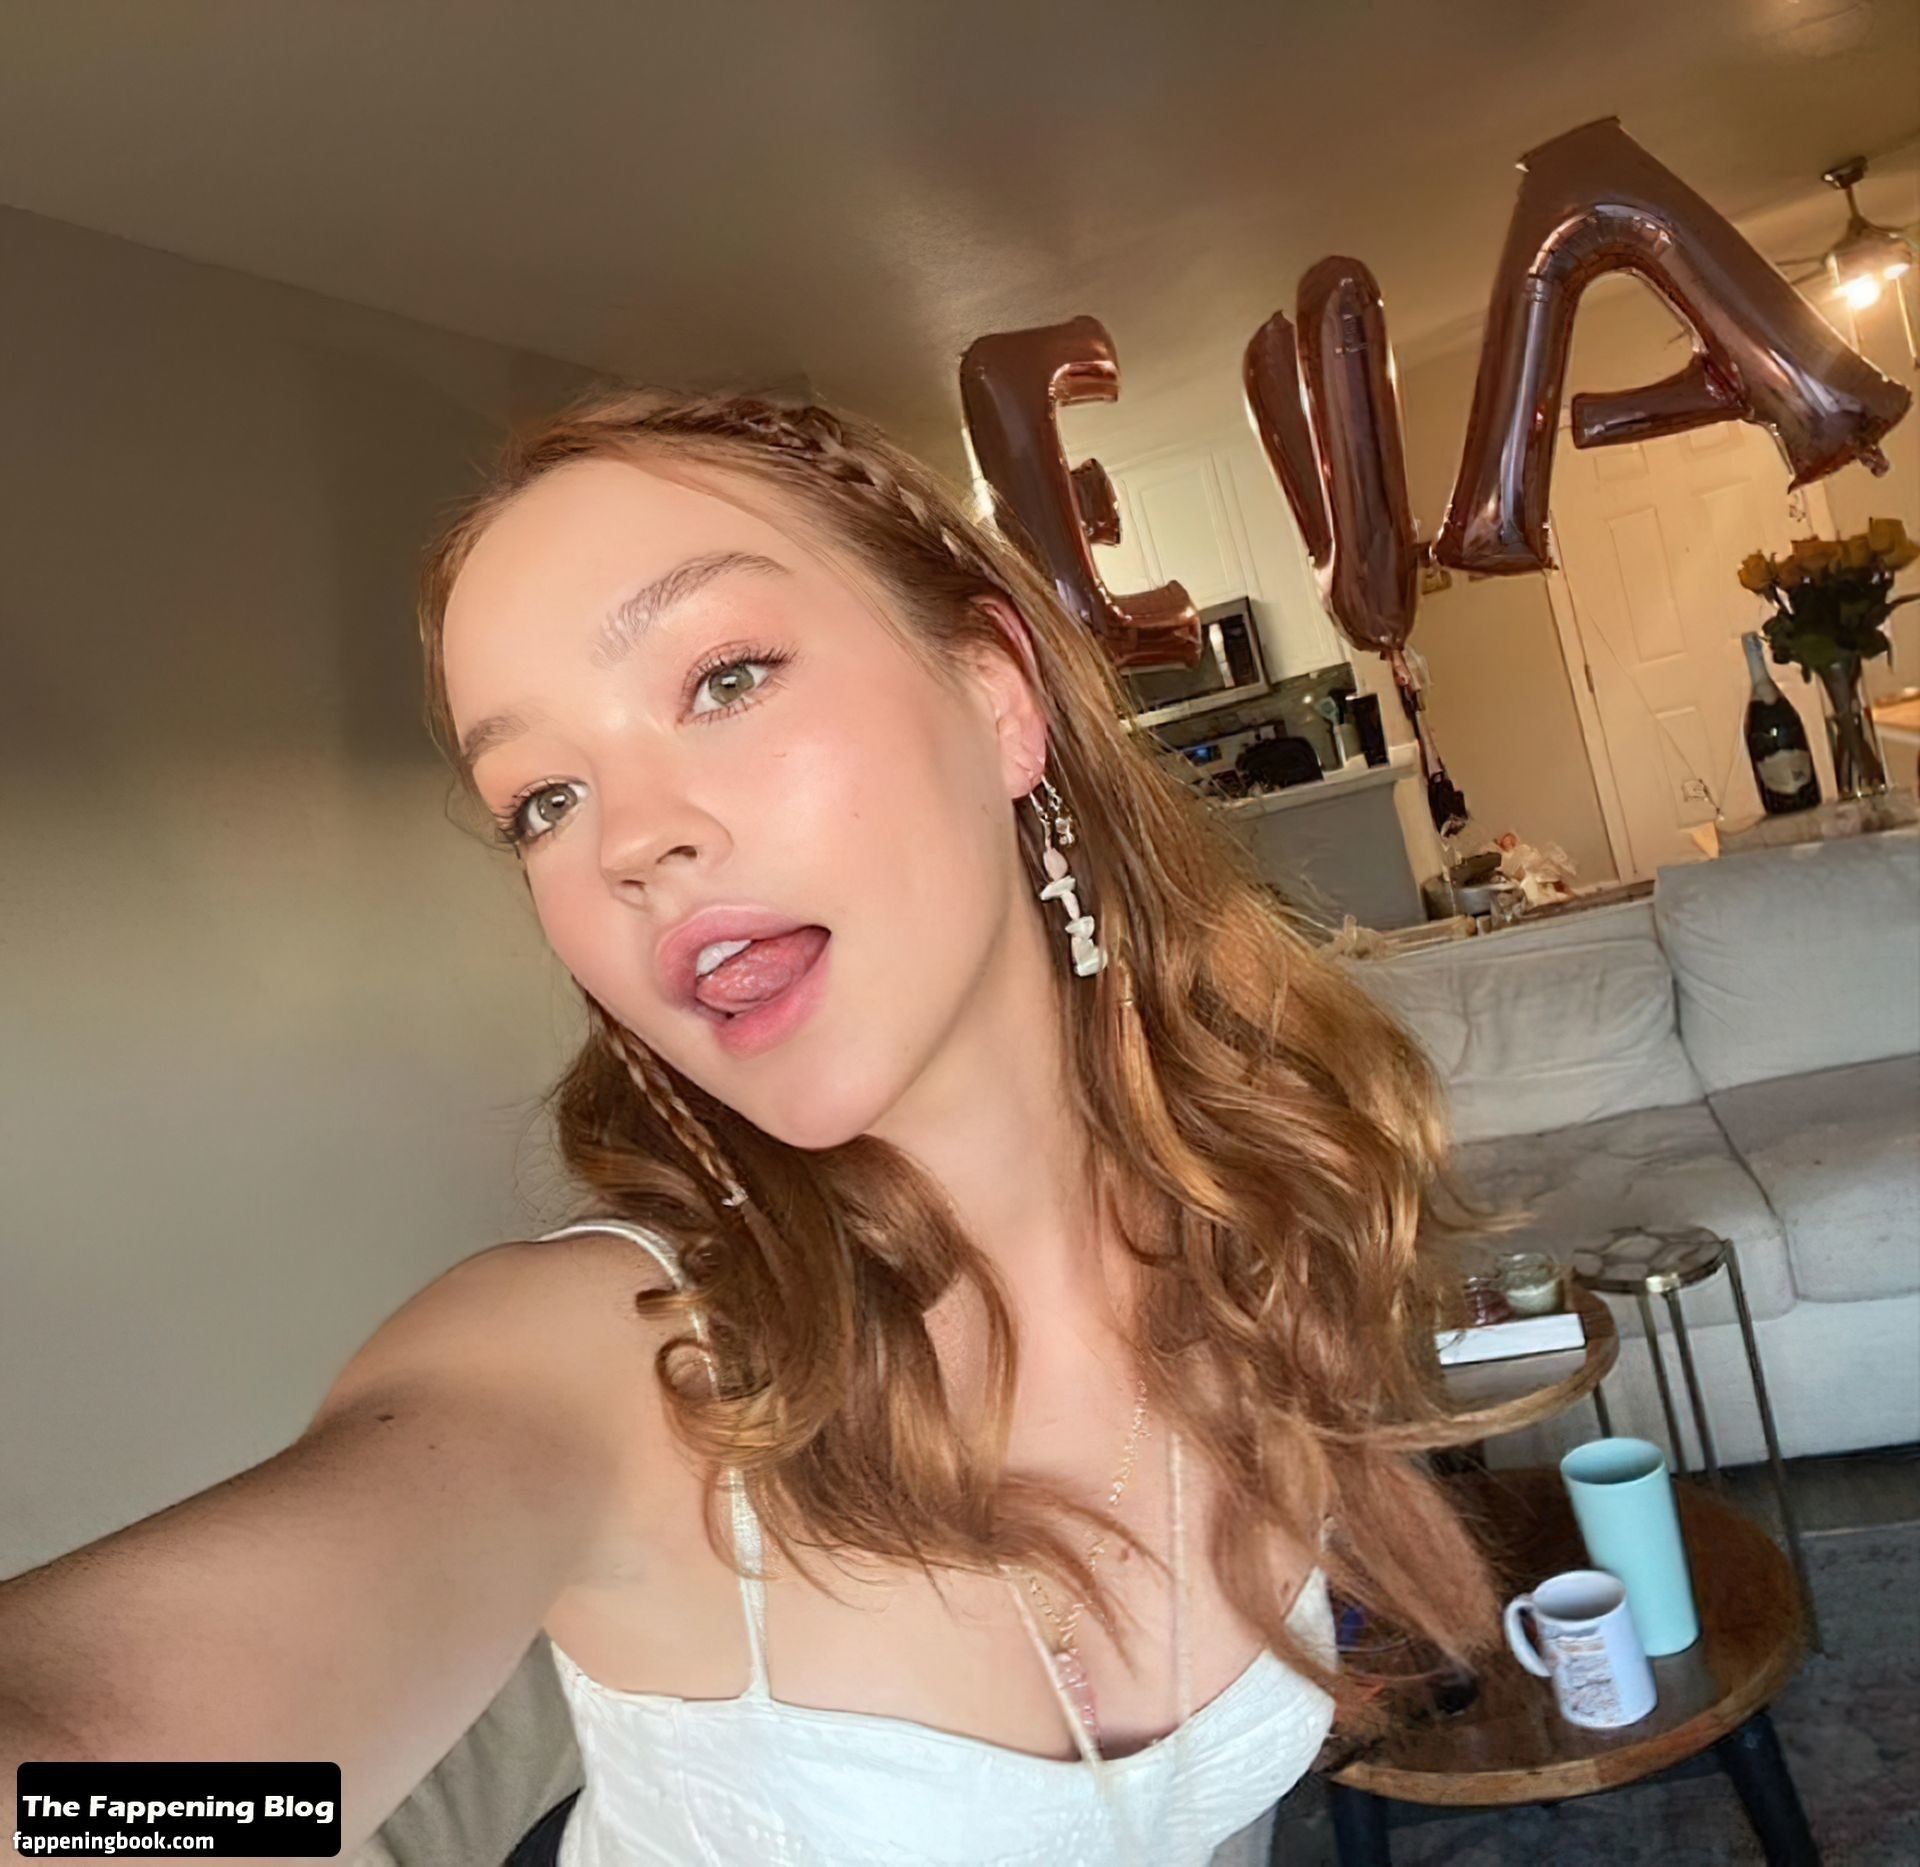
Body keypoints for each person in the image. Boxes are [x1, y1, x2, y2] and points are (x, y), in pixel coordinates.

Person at [2, 389, 1497, 1865]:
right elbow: (89, 1793)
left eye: (724, 680)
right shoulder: (611, 1366)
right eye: (541, 800)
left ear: (996, 699)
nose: (631, 842)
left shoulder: (1246, 1206)